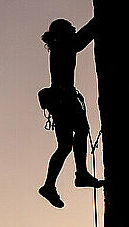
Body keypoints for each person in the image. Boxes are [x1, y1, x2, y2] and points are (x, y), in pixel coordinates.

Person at [39, 17, 104, 208]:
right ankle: (80, 174)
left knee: (65, 145)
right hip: (65, 100)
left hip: (60, 101)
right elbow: (82, 39)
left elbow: (79, 38)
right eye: (70, 29)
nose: (73, 30)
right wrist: (97, 20)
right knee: (81, 131)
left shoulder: (58, 45)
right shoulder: (63, 45)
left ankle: (50, 185)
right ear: (63, 32)